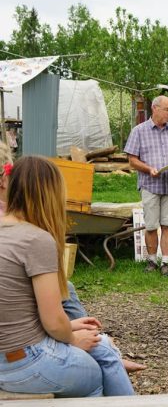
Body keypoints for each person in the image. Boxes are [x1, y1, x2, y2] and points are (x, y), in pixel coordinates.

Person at [0, 156, 168, 407]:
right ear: (50, 193)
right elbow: (53, 320)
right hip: (21, 363)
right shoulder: (36, 240)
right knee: (89, 375)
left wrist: (72, 331)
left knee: (96, 345)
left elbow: (20, 310)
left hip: (9, 354)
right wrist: (71, 336)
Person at [0, 147, 145, 374]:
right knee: (96, 371)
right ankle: (102, 352)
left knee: (65, 288)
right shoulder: (25, 229)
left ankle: (99, 346)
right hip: (18, 353)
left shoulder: (9, 212)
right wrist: (69, 336)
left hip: (14, 345)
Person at [124, 95, 168, 277]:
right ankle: (151, 261)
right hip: (150, 184)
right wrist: (148, 169)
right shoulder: (139, 131)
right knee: (151, 226)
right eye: (167, 110)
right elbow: (132, 160)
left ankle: (165, 262)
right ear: (155, 108)